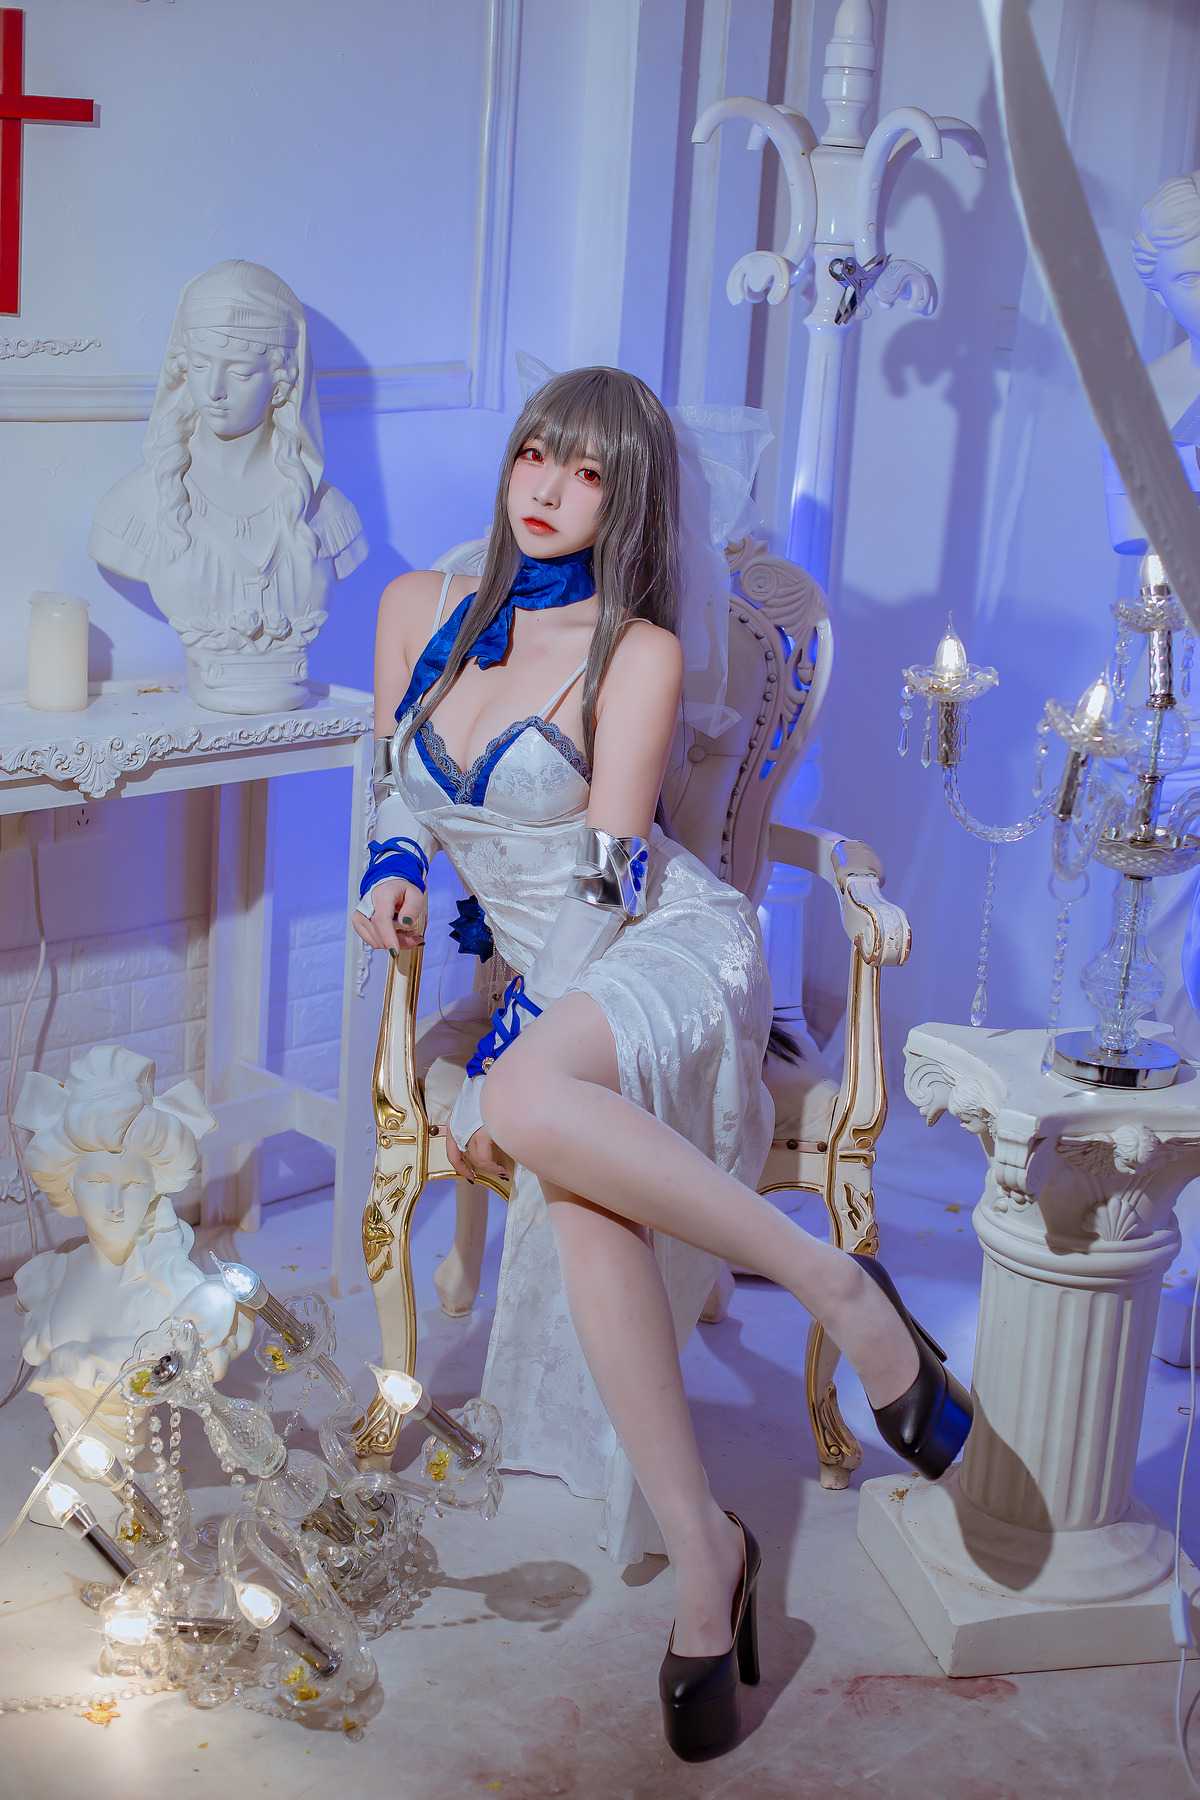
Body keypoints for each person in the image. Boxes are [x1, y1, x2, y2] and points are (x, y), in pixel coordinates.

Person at [352, 365, 973, 1761]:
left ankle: (834, 1291)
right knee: (584, 1196)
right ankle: (710, 1554)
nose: (548, 486)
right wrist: (395, 872)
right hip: (552, 978)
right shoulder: (415, 608)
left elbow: (606, 884)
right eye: (537, 452)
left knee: (531, 1105)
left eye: (587, 472)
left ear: (626, 501)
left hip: (660, 947)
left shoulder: (636, 653)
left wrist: (514, 1061)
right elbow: (401, 791)